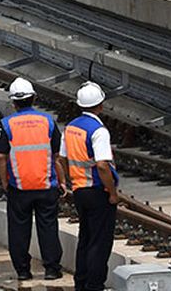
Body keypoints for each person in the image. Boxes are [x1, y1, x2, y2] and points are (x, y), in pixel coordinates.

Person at [0, 78, 63, 282]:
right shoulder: (48, 121)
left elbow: (1, 156)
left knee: (18, 229)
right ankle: (51, 269)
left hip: (19, 186)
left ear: (13, 102)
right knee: (48, 226)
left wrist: (5, 181)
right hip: (46, 185)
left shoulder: (7, 124)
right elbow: (57, 155)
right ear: (34, 98)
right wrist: (62, 181)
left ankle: (23, 271)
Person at [58, 82, 118, 291]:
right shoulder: (98, 131)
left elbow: (61, 159)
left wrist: (71, 179)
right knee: (99, 242)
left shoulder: (71, 127)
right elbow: (102, 165)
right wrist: (112, 193)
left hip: (80, 191)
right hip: (97, 191)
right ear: (100, 105)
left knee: (85, 238)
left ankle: (81, 283)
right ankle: (94, 285)